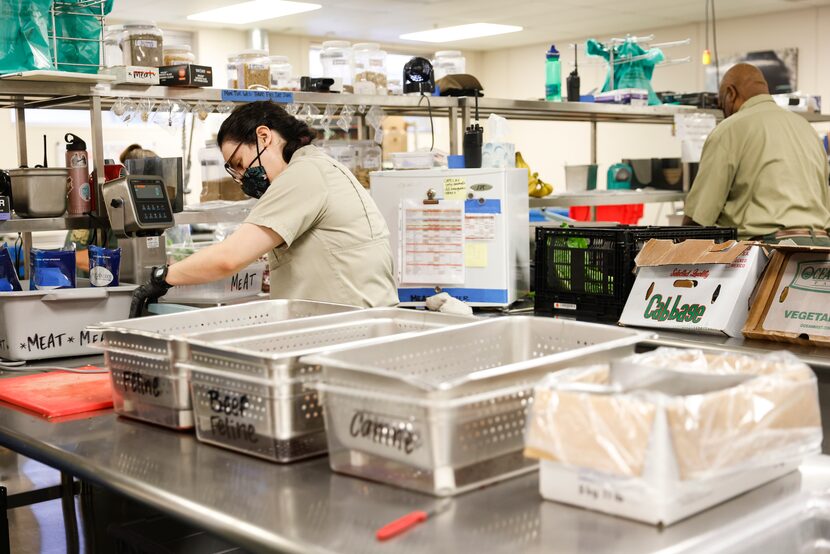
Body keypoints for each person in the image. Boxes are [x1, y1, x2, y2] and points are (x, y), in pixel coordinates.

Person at [130, 101, 398, 316]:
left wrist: (163, 277)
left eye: (240, 162)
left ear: (263, 136)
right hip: (355, 324)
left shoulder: (303, 174)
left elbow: (228, 258)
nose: (244, 176)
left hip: (350, 331)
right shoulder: (318, 167)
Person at [683, 63, 830, 245]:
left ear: (731, 93)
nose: (724, 110)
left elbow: (699, 217)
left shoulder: (729, 129)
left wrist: (672, 251)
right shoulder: (807, 129)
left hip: (769, 250)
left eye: (722, 103)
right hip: (821, 248)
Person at [66, 144, 158, 275]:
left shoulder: (139, 216)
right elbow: (114, 260)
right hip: (84, 282)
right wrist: (62, 258)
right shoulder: (114, 209)